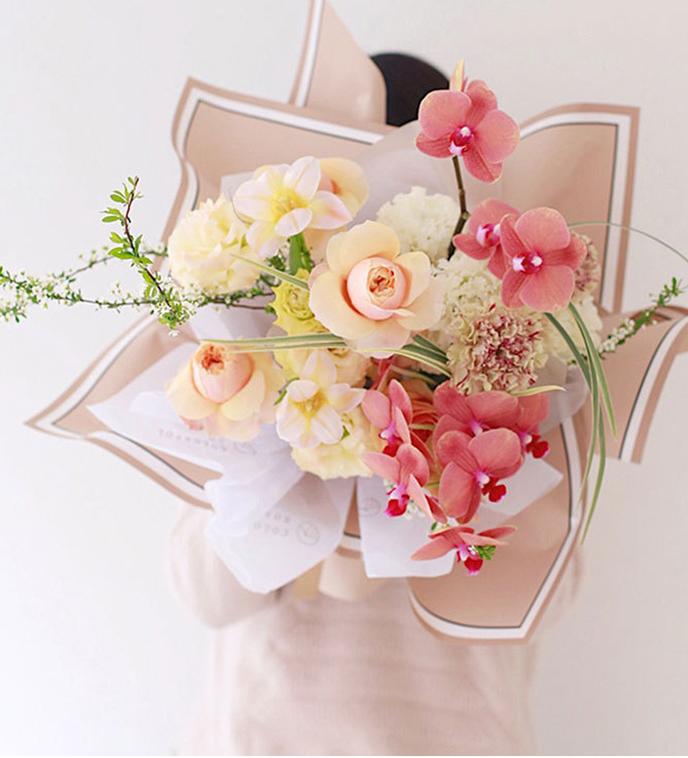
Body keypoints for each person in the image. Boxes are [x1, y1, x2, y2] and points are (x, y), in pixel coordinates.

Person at [166, 55, 581, 756]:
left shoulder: (522, 359)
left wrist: (454, 452)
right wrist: (297, 439)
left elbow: (547, 595)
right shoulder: (251, 357)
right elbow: (203, 592)